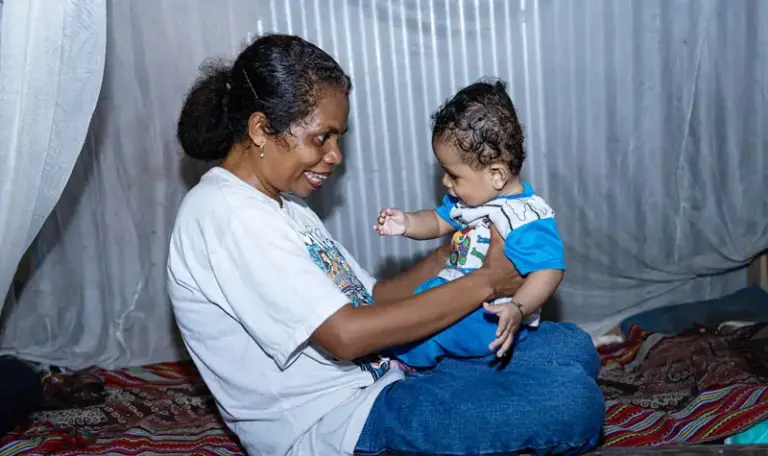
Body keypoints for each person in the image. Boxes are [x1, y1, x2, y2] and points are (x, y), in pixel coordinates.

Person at [168, 34, 604, 456]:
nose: (336, 155)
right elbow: (345, 337)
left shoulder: (285, 207)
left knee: (568, 346)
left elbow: (373, 296)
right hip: (334, 423)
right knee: (571, 405)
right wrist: (488, 281)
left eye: (339, 138)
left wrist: (454, 248)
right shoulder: (225, 215)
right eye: (324, 137)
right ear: (262, 129)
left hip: (388, 375)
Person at [374, 80, 564, 368]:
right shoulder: (471, 202)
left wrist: (517, 308)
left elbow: (549, 270)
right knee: (424, 297)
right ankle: (403, 348)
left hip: (490, 316)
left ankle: (399, 358)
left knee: (428, 312)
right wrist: (408, 222)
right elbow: (437, 222)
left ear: (497, 175)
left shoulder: (525, 217)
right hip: (461, 299)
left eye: (453, 175)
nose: (445, 182)